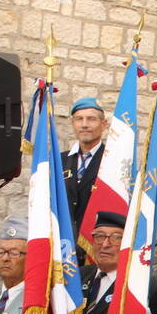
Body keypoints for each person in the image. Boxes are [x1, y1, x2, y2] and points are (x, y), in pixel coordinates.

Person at [63, 97, 106, 231]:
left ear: (104, 124)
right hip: (63, 242)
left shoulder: (112, 161)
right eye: (79, 119)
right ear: (73, 123)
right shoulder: (59, 161)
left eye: (91, 119)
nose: (84, 124)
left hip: (97, 242)